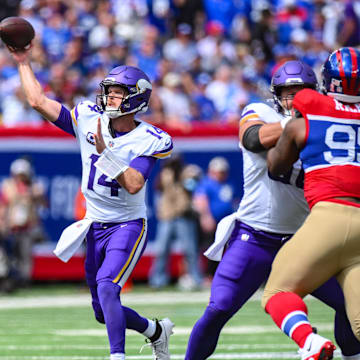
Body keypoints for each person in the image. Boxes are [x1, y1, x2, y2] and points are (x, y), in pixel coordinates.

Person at [6, 42, 174, 360]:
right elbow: (37, 101)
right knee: (102, 311)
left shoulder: (149, 137)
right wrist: (24, 61)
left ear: (136, 98)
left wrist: (106, 154)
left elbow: (135, 184)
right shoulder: (88, 117)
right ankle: (155, 331)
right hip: (95, 225)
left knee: (109, 287)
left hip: (127, 224)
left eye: (117, 92)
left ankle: (117, 356)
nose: (109, 97)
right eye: (108, 91)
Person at [185, 59, 360, 360]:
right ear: (275, 95)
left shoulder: (323, 123)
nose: (292, 99)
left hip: (306, 237)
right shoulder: (265, 113)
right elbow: (251, 138)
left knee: (348, 302)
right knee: (219, 308)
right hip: (255, 237)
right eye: (286, 93)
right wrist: (301, 121)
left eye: (300, 92)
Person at [261, 47, 360, 360]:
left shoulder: (303, 121)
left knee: (278, 291)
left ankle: (310, 342)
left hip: (328, 216)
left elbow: (275, 166)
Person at [149, 155, 203, 290]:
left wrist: (184, 175)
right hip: (167, 216)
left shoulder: (187, 172)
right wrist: (167, 172)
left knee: (190, 249)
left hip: (183, 215)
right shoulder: (165, 174)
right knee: (162, 249)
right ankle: (158, 280)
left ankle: (196, 278)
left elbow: (195, 180)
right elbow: (158, 187)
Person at [1, 157, 47, 287]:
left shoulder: (34, 187)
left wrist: (36, 195)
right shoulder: (8, 186)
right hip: (12, 226)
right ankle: (11, 279)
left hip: (27, 227)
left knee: (25, 256)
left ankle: (24, 281)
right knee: (11, 255)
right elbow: (4, 206)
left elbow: (43, 205)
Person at [192, 156, 235, 279]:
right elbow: (201, 200)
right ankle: (208, 275)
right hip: (213, 222)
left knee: (223, 249)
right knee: (210, 249)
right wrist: (206, 217)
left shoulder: (226, 184)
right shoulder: (206, 183)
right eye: (219, 171)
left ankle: (219, 274)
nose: (221, 174)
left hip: (225, 222)